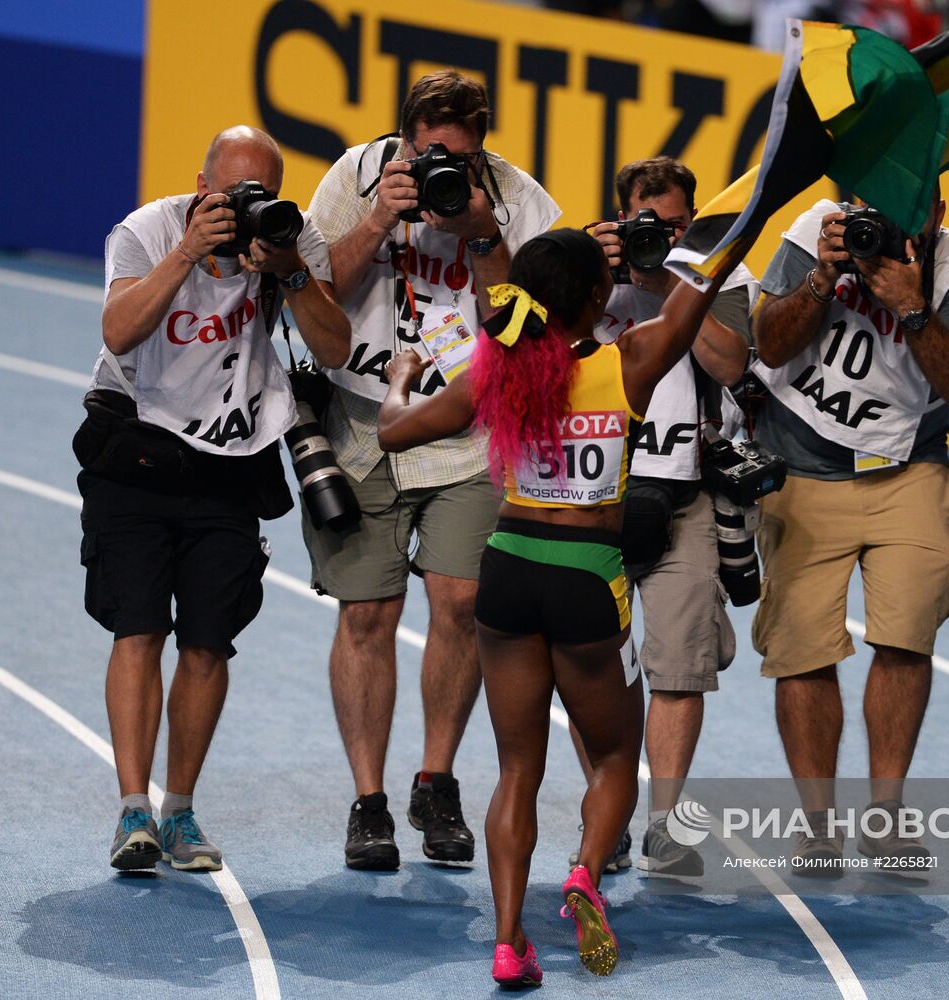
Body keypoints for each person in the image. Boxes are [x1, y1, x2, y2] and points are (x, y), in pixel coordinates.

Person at [377, 229, 739, 986]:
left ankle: (508, 942)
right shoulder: (629, 362)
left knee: (517, 770)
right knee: (612, 758)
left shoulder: (495, 372)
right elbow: (703, 285)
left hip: (508, 568)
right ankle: (581, 875)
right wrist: (753, 202)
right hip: (588, 579)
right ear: (598, 298)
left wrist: (402, 375)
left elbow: (393, 432)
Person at [76, 125, 350, 872]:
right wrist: (187, 252)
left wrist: (290, 271)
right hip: (134, 453)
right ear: (202, 189)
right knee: (137, 629)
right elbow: (119, 329)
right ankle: (133, 810)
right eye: (232, 194)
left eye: (260, 192)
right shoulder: (148, 229)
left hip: (231, 464)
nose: (245, 207)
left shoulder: (290, 241)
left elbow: (333, 348)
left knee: (206, 641)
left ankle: (180, 812)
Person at [305, 70, 560, 871]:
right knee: (367, 615)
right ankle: (368, 800)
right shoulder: (354, 176)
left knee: (460, 603)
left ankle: (435, 779)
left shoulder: (516, 196)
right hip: (360, 421)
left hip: (467, 426)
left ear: (481, 146)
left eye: (462, 153)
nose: (443, 167)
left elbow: (530, 326)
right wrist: (382, 214)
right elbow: (313, 296)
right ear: (407, 137)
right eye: (430, 153)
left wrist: (483, 236)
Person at [749, 189, 949, 872]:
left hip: (907, 469)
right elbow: (767, 341)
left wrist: (912, 305)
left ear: (938, 213)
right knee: (801, 648)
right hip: (800, 464)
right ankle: (817, 824)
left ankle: (885, 815)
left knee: (906, 630)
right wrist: (822, 277)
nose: (880, 224)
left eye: (907, 214)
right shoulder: (814, 230)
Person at [579, 156, 758, 877]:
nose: (659, 235)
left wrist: (670, 284)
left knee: (679, 663)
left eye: (676, 224)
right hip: (595, 496)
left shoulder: (722, 275)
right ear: (619, 218)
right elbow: (546, 345)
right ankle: (609, 816)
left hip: (687, 495)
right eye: (643, 225)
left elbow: (731, 366)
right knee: (595, 667)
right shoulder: (589, 268)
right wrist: (598, 271)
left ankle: (662, 824)